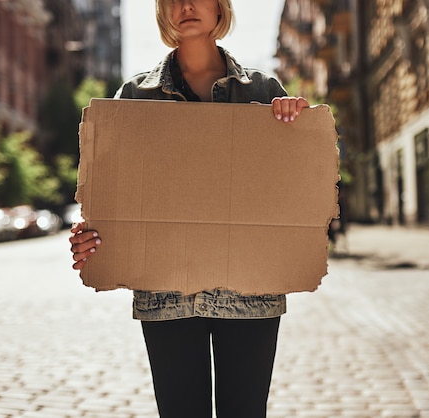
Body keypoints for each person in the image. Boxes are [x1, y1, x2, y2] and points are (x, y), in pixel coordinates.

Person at [69, 0, 309, 416]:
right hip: (166, 295)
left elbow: (297, 186)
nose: (186, 5)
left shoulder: (264, 93)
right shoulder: (133, 98)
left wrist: (295, 124)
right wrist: (90, 234)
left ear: (220, 7)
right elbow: (112, 194)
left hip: (249, 290)